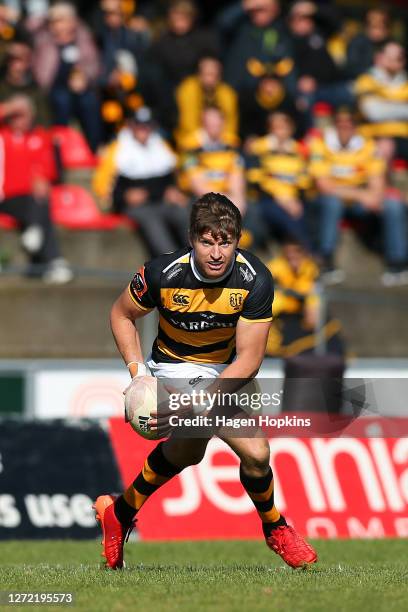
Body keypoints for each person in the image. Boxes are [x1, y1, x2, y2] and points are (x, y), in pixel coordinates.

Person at [93, 191, 318, 570]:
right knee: (256, 451)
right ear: (192, 240)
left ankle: (118, 513)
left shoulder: (255, 279)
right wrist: (137, 376)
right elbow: (121, 314)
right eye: (207, 242)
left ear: (237, 241)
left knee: (190, 453)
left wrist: (200, 401)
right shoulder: (161, 273)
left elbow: (249, 360)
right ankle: (276, 527)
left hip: (229, 370)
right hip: (176, 368)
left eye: (225, 243)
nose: (216, 253)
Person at [309, 107, 408, 286]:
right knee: (331, 203)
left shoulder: (368, 146)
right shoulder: (320, 144)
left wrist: (368, 196)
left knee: (393, 204)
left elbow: (377, 185)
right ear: (334, 125)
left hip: (357, 202)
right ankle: (326, 261)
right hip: (329, 200)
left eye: (349, 123)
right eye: (340, 123)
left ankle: (397, 263)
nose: (345, 127)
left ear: (355, 126)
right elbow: (324, 186)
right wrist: (360, 195)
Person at [93, 106, 189, 257]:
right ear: (131, 125)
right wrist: (123, 197)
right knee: (153, 222)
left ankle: (200, 260)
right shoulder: (118, 149)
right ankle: (174, 265)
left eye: (147, 125)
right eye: (139, 125)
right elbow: (104, 185)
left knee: (185, 214)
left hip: (162, 201)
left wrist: (176, 191)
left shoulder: (160, 145)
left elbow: (173, 175)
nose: (143, 129)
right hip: (137, 206)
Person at [0, 95, 73, 283]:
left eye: (23, 115)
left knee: (39, 199)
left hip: (32, 199)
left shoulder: (41, 137)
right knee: (39, 208)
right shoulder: (3, 135)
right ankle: (54, 260)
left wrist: (43, 179)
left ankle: (36, 232)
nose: (19, 119)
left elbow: (50, 170)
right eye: (15, 116)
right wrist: (10, 107)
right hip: (6, 198)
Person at [32, 2, 102, 151]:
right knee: (62, 101)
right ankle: (59, 150)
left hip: (80, 87)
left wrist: (84, 76)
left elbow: (94, 64)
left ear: (72, 21)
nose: (57, 25)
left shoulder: (83, 37)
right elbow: (39, 70)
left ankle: (93, 149)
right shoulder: (44, 39)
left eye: (61, 20)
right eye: (54, 21)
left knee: (89, 102)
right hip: (53, 87)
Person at [246, 111, 311, 248]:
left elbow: (304, 180)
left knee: (308, 211)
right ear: (270, 129)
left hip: (293, 198)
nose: (280, 131)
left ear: (291, 129)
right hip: (267, 198)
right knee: (289, 217)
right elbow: (255, 179)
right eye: (276, 127)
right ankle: (307, 251)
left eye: (283, 127)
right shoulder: (259, 147)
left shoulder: (299, 149)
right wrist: (282, 198)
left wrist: (292, 198)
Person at [354, 41, 408, 158]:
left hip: (403, 136)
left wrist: (385, 103)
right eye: (390, 57)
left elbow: (380, 110)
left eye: (399, 57)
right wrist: (402, 106)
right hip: (372, 135)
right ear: (380, 57)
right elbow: (374, 113)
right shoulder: (366, 81)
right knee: (385, 146)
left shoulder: (406, 83)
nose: (395, 61)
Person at [175, 55, 238, 145]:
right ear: (199, 74)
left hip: (220, 138)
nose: (210, 79)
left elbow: (230, 123)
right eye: (207, 74)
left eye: (214, 75)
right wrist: (206, 137)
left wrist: (219, 137)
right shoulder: (188, 89)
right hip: (193, 138)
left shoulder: (227, 94)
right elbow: (187, 122)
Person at [0, 37, 52, 126]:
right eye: (12, 60)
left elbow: (45, 124)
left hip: (29, 136)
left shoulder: (35, 91)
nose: (17, 66)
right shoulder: (2, 88)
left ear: (28, 63)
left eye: (21, 61)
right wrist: (7, 109)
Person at [346, 7, 392, 79]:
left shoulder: (390, 44)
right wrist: (373, 72)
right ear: (366, 27)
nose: (377, 31)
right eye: (373, 27)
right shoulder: (357, 43)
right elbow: (352, 68)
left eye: (380, 27)